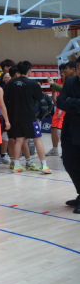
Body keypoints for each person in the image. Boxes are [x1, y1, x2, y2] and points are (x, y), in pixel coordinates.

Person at [4, 61, 50, 174]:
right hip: (30, 116)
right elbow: (40, 99)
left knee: (19, 140)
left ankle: (16, 166)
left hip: (15, 117)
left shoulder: (10, 83)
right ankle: (44, 166)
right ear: (29, 71)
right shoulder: (33, 84)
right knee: (37, 139)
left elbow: (5, 99)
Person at [55, 60, 80, 214]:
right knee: (69, 162)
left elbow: (67, 102)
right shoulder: (70, 82)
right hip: (70, 128)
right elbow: (60, 102)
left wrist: (72, 101)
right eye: (78, 68)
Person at [47, 61, 76, 157]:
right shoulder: (62, 80)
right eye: (62, 71)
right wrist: (54, 98)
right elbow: (59, 92)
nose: (63, 72)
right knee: (54, 128)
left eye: (65, 70)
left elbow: (66, 93)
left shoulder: (73, 81)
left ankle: (67, 151)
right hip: (61, 107)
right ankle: (56, 149)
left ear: (73, 70)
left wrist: (54, 85)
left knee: (62, 130)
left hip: (69, 108)